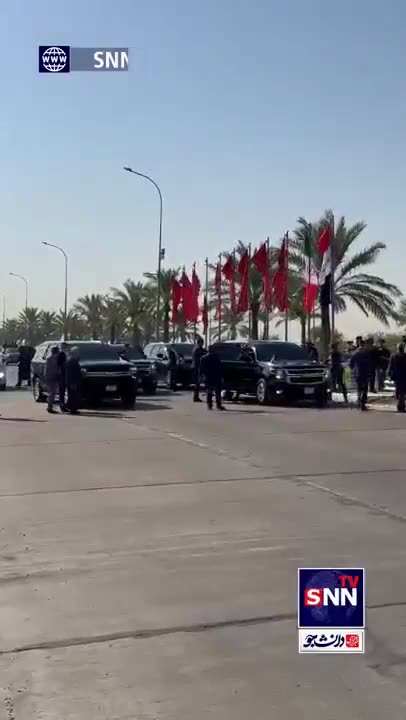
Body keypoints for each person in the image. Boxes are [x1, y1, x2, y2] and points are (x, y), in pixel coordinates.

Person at [200, 345, 224, 410]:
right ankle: (218, 405)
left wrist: (202, 376)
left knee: (209, 391)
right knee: (217, 392)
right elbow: (220, 367)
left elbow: (201, 369)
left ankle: (209, 405)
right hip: (216, 376)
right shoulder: (216, 357)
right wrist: (221, 376)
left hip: (208, 376)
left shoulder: (203, 358)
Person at [350, 339, 371, 411]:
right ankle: (363, 403)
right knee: (364, 389)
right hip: (365, 373)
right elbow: (370, 364)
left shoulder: (355, 354)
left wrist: (353, 370)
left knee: (359, 388)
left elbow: (351, 364)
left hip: (358, 373)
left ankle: (359, 401)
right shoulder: (367, 354)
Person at [388, 343, 406, 412]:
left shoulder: (394, 356)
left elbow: (390, 366)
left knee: (399, 391)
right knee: (402, 391)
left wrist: (389, 374)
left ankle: (400, 405)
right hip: (404, 376)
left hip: (397, 376)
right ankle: (401, 405)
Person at [65, 346, 82, 414]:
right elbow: (71, 373)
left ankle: (72, 408)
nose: (79, 353)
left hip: (73, 381)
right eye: (77, 352)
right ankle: (72, 409)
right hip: (72, 381)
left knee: (73, 395)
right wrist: (72, 383)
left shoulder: (73, 360)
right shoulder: (71, 361)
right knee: (73, 396)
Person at [45, 346, 60, 413]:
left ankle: (50, 405)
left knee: (51, 392)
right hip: (53, 377)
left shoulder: (49, 358)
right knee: (52, 393)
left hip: (50, 377)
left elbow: (46, 369)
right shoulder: (53, 359)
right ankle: (50, 406)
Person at [192, 337, 206, 402]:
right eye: (201, 343)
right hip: (197, 367)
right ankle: (195, 397)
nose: (202, 344)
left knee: (198, 383)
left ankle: (196, 397)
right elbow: (199, 358)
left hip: (197, 367)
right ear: (199, 343)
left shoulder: (198, 349)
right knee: (197, 383)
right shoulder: (197, 349)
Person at [58, 344, 68, 412]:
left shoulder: (61, 354)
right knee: (62, 391)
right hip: (62, 375)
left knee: (62, 391)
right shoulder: (62, 354)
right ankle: (62, 406)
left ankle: (62, 405)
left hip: (62, 375)